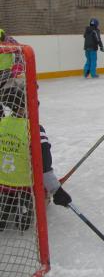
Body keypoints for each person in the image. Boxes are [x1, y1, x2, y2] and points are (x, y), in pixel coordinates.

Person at [0, 97, 72, 231]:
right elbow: (44, 165)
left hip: (2, 180)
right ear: (22, 108)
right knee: (46, 198)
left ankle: (8, 202)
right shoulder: (34, 128)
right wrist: (56, 190)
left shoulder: (2, 122)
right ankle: (26, 204)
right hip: (26, 183)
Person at [0, 28, 23, 118]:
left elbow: (19, 50)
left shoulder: (6, 38)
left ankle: (19, 112)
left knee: (9, 95)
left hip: (6, 74)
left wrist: (18, 65)